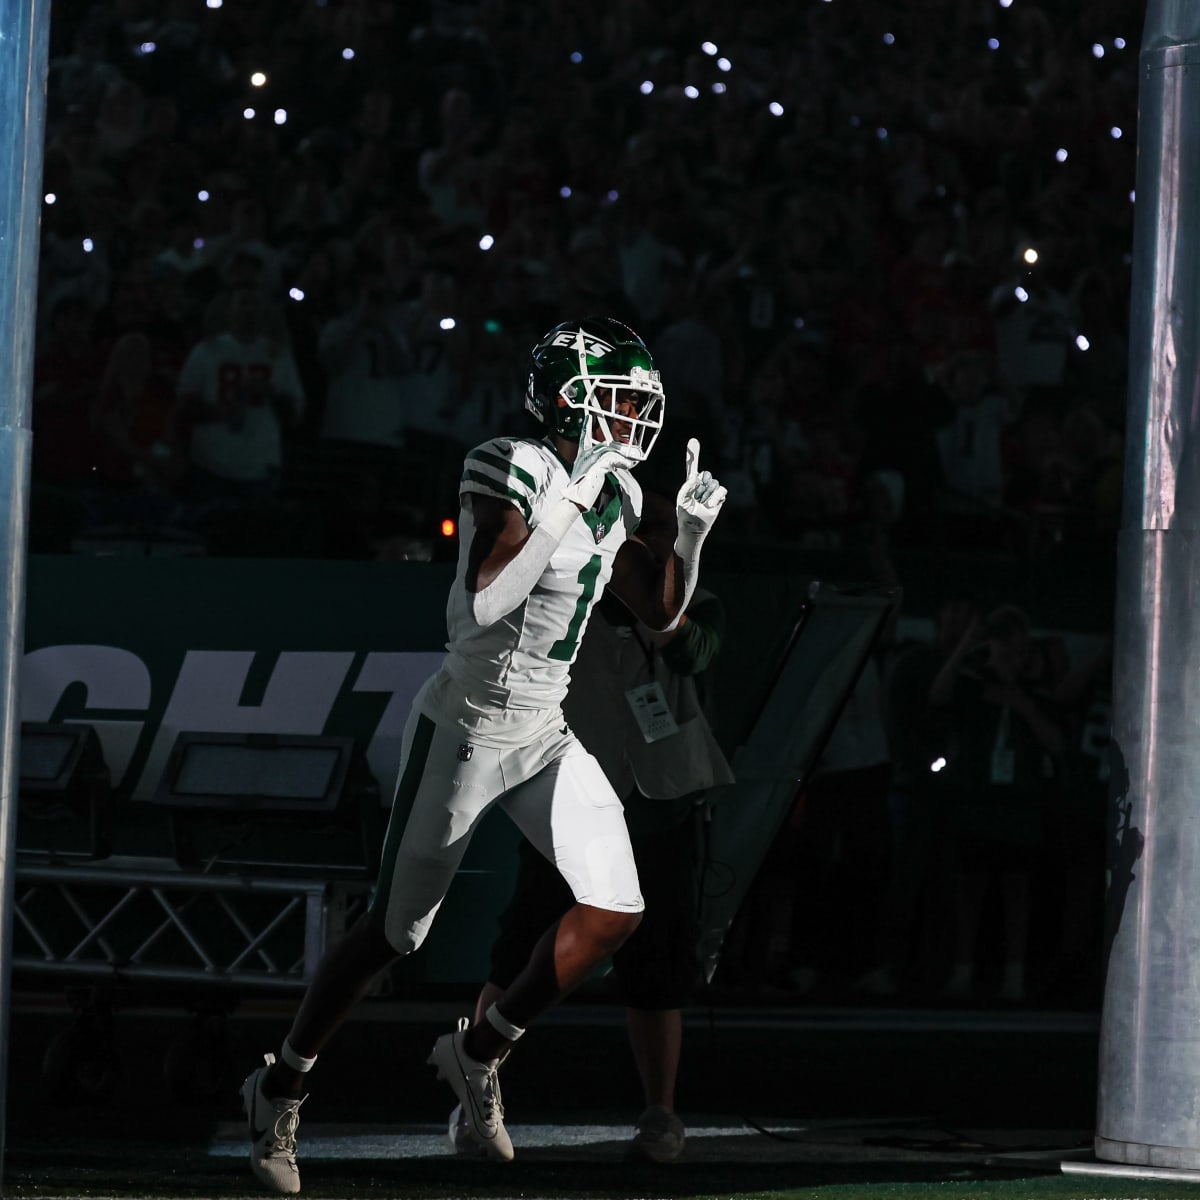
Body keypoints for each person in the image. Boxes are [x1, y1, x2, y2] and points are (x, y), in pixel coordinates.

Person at [239, 316, 727, 1194]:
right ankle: (277, 1090)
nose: (633, 422)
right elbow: (480, 612)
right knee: (395, 931)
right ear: (570, 401)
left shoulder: (614, 492)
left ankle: (479, 1053)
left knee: (616, 908)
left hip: (545, 727)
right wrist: (563, 511)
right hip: (467, 722)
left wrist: (687, 538)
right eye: (619, 402)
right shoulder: (511, 464)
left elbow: (660, 616)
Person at [451, 547, 734, 1163]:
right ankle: (476, 1098)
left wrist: (657, 605)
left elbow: (696, 652)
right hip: (567, 791)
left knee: (658, 960)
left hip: (660, 799)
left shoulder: (690, 597)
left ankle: (661, 1114)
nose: (645, 545)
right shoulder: (563, 588)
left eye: (657, 534)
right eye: (635, 535)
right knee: (523, 940)